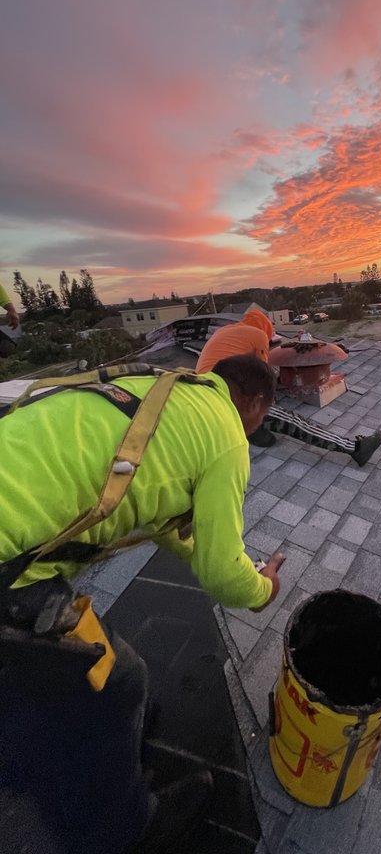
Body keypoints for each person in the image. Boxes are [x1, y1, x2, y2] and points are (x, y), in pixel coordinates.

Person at [0, 354, 285, 854]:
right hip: (9, 567)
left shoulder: (161, 386)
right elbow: (223, 576)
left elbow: (164, 521)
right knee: (118, 682)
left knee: (37, 675)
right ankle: (123, 831)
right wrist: (262, 590)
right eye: (263, 416)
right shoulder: (229, 440)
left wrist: (200, 547)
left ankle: (25, 752)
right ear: (256, 402)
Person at [197, 313, 381, 467]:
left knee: (266, 430)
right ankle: (355, 448)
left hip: (204, 394)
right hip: (224, 397)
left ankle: (247, 428)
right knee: (292, 420)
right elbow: (263, 378)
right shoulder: (258, 334)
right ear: (266, 330)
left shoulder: (229, 331)